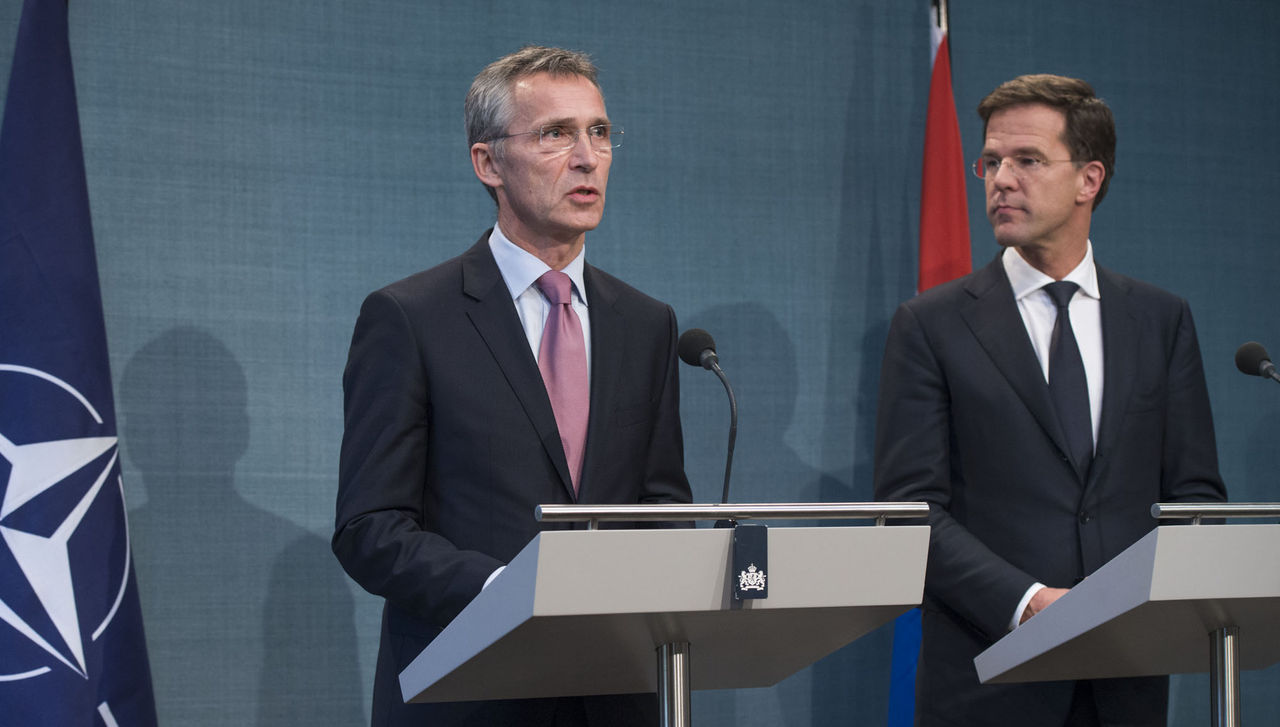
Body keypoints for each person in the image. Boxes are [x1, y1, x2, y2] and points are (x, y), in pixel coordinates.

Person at [333, 46, 692, 727]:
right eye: (555, 133)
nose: (587, 157)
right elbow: (369, 527)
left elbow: (662, 506)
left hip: (615, 697)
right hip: (471, 695)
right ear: (488, 162)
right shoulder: (411, 318)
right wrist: (509, 593)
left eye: (600, 132)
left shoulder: (647, 324)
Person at [873, 74, 1227, 726]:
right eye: (991, 161)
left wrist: (1146, 605)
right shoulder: (931, 325)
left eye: (1027, 160)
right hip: (989, 682)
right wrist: (1030, 599)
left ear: (1089, 179)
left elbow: (1196, 499)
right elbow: (910, 512)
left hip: (1126, 686)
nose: (1001, 178)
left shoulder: (1160, 320)